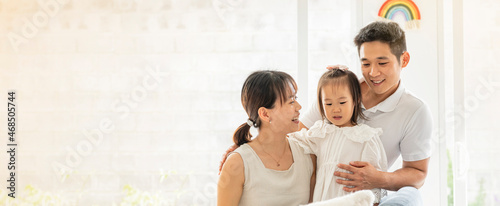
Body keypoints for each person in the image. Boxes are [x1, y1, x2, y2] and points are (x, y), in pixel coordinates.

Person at [300, 21, 433, 205]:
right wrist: (332, 82)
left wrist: (379, 178)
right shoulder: (338, 92)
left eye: (382, 63)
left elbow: (418, 173)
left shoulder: (415, 111)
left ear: (404, 60)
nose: (373, 72)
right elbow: (298, 133)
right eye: (365, 63)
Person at [288, 69, 387, 204]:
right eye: (328, 104)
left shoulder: (366, 136)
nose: (335, 109)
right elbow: (293, 141)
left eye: (342, 102)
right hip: (323, 200)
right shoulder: (320, 132)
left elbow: (374, 183)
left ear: (356, 99)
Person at [217, 70, 315, 206]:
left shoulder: (307, 155)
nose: (299, 107)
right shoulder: (238, 163)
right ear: (265, 114)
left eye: (295, 99)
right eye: (291, 101)